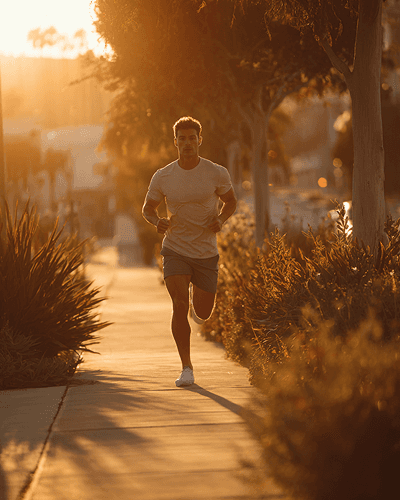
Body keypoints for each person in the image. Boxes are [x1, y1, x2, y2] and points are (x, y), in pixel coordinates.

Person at [142, 116, 237, 387]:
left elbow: (230, 201)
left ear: (199, 141)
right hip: (175, 249)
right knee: (179, 304)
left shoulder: (215, 172)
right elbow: (148, 208)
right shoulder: (164, 176)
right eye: (181, 139)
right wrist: (156, 220)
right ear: (175, 142)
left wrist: (221, 218)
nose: (187, 143)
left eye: (191, 138)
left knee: (203, 313)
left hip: (206, 251)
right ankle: (186, 367)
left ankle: (198, 299)